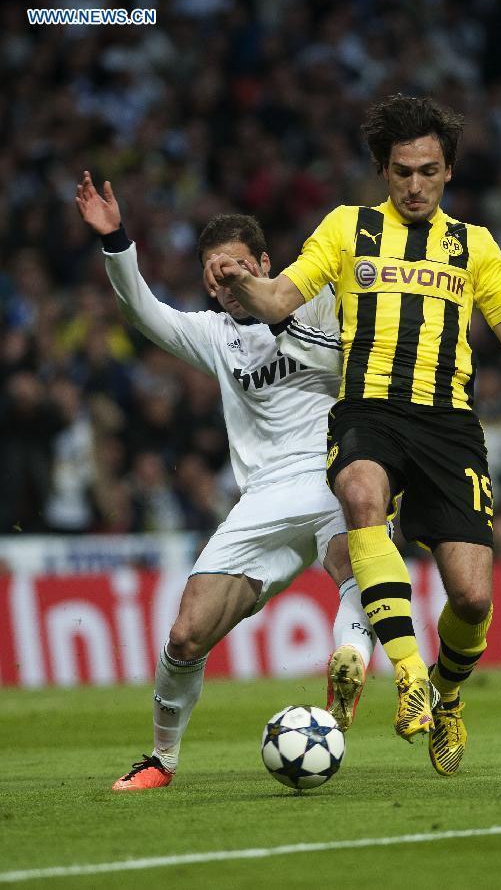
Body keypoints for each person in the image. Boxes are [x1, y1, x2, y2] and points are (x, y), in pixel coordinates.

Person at [203, 94, 501, 776]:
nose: (414, 185)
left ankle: (445, 697)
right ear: (382, 171)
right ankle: (409, 673)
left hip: (447, 423)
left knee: (472, 598)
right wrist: (245, 283)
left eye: (427, 171)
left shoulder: (473, 245)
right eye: (401, 171)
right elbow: (280, 297)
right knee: (359, 494)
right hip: (368, 411)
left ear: (448, 172)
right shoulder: (345, 229)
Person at [75, 171, 375, 791]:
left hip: (338, 471)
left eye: (236, 266)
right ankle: (161, 759)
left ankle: (345, 678)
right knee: (186, 634)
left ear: (265, 263)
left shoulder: (320, 302)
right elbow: (143, 311)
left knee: (358, 563)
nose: (225, 279)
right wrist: (115, 242)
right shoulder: (216, 337)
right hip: (264, 497)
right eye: (213, 271)